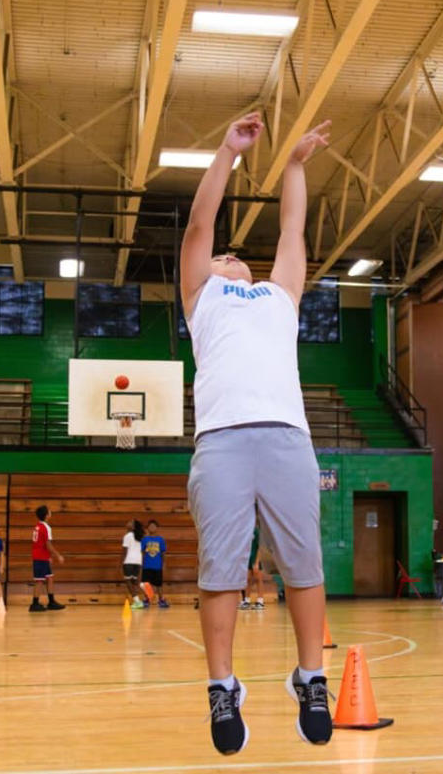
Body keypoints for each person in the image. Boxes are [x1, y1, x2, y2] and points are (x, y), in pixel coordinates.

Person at [181, 112, 333, 755]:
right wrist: (226, 151)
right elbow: (199, 226)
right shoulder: (202, 297)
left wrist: (294, 165)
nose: (232, 256)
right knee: (221, 573)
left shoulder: (280, 297)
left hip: (287, 438)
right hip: (221, 442)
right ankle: (222, 687)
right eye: (223, 256)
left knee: (303, 566)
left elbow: (293, 228)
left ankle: (311, 676)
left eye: (239, 256)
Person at [30, 505, 65, 612]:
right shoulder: (46, 527)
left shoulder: (38, 526)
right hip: (40, 558)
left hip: (41, 557)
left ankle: (51, 601)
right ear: (46, 515)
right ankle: (34, 604)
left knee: (49, 578)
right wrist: (57, 555)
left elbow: (40, 543)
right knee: (39, 581)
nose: (51, 512)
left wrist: (48, 557)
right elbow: (48, 545)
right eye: (49, 511)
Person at [141, 519, 169, 608]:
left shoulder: (160, 539)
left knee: (159, 584)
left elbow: (163, 553)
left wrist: (164, 564)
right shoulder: (144, 540)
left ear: (157, 528)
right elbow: (142, 553)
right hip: (147, 565)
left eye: (154, 526)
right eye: (150, 526)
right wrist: (141, 564)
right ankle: (147, 599)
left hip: (157, 566)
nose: (152, 528)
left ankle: (161, 600)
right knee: (147, 584)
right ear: (147, 528)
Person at [239, 521, 265, 610]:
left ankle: (260, 601)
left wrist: (257, 562)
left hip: (256, 558)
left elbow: (260, 548)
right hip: (248, 559)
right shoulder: (245, 532)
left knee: (259, 579)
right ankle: (246, 600)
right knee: (247, 579)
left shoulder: (257, 532)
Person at [122, 519, 146, 610]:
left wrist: (120, 563)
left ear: (133, 527)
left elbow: (124, 551)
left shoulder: (127, 536)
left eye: (130, 522)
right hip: (138, 561)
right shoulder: (140, 536)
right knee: (135, 582)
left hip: (129, 561)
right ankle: (138, 599)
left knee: (128, 581)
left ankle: (137, 601)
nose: (127, 523)